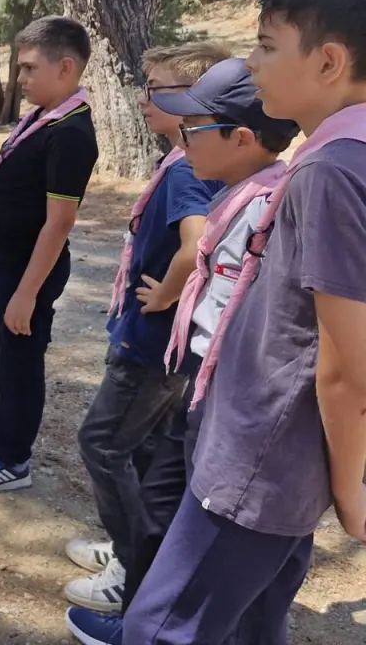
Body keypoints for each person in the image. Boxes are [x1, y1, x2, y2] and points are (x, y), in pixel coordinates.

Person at [120, 0, 366, 644]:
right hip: (282, 457)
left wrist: (351, 490)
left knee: (158, 628)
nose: (252, 64)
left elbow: (347, 367)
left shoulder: (329, 171)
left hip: (262, 458)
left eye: (266, 46)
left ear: (329, 62)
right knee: (253, 623)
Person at [66, 57, 299, 645]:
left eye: (194, 128)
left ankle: (148, 613)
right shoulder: (239, 192)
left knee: (236, 554)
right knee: (161, 501)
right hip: (200, 388)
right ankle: (138, 610)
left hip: (229, 404)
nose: (183, 136)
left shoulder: (270, 206)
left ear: (240, 138)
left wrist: (166, 297)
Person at [63, 43, 229, 614]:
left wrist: (164, 293)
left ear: (194, 100)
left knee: (102, 443)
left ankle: (135, 568)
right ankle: (134, 550)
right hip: (168, 342)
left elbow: (195, 243)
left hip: (152, 341)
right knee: (143, 450)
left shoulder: (186, 170)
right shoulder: (191, 162)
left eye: (156, 88)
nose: (142, 98)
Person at [0, 16, 99, 495]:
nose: (20, 79)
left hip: (23, 271)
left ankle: (12, 457)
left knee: (17, 363)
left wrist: (27, 293)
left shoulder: (70, 132)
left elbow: (59, 221)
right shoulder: (40, 116)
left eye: (30, 68)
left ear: (65, 68)